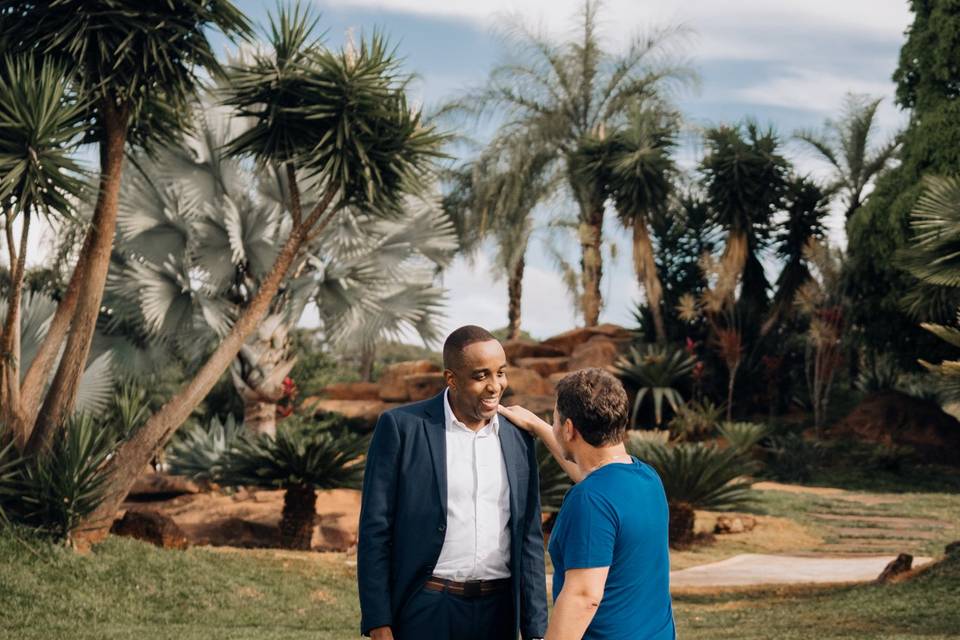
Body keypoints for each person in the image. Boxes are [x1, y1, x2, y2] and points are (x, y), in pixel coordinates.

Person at [358, 325, 548, 640]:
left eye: (500, 373)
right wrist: (379, 622)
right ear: (451, 379)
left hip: (499, 612)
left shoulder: (518, 437)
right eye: (481, 376)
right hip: (427, 608)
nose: (494, 386)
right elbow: (375, 531)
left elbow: (528, 536)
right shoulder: (403, 428)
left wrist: (536, 629)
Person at [499, 367, 676, 640]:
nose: (554, 425)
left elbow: (583, 597)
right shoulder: (646, 478)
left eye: (556, 420)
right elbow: (591, 474)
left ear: (569, 428)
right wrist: (539, 426)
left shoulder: (589, 500)